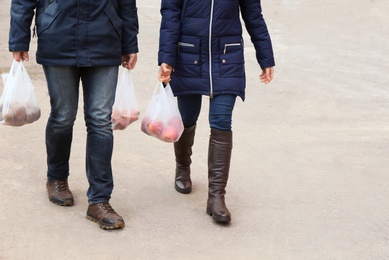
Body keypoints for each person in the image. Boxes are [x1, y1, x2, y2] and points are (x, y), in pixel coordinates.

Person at [9, 0, 139, 230]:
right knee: (63, 117)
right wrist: (19, 38)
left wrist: (129, 42)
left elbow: (127, 3)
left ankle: (100, 200)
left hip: (104, 38)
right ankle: (57, 178)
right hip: (58, 36)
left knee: (100, 120)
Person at [158, 0, 275, 224]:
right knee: (187, 117)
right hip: (189, 53)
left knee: (222, 120)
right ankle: (183, 167)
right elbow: (171, 12)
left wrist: (266, 56)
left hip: (226, 55)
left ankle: (216, 197)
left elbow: (253, 15)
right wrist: (166, 58)